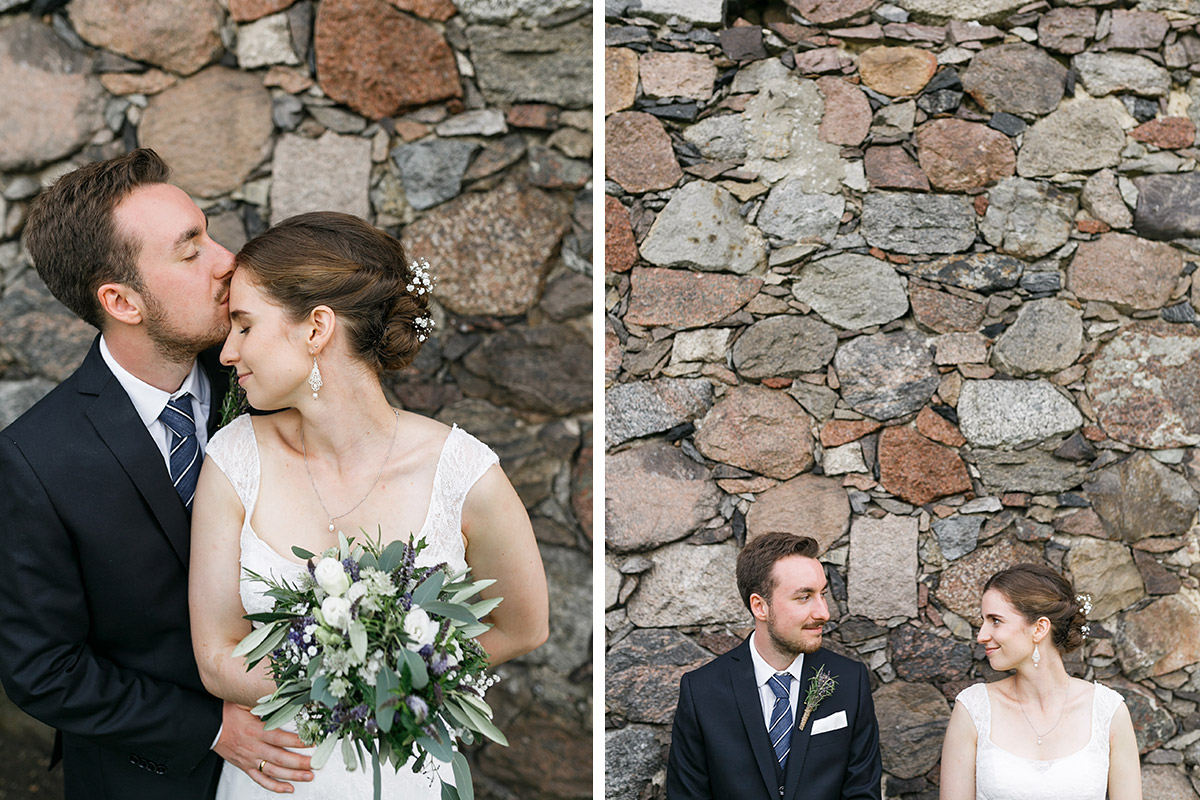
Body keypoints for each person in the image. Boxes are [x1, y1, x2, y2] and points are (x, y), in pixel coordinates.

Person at [188, 211, 550, 798]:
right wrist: (345, 683)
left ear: (316, 328)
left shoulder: (465, 475)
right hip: (275, 777)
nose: (227, 352)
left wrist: (407, 683)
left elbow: (524, 627)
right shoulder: (235, 458)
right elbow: (216, 656)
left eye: (244, 326)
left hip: (404, 775)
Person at [0, 148, 314, 798]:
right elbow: (42, 670)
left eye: (208, 231)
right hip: (149, 776)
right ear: (121, 300)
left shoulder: (271, 380)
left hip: (310, 751)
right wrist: (209, 728)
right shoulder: (35, 461)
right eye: (190, 248)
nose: (228, 260)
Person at [666, 532, 882, 800]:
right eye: (804, 597)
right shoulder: (701, 691)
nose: (824, 613)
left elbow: (862, 792)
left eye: (822, 594)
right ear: (760, 607)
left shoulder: (851, 681)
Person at [939, 563, 1142, 800]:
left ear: (1039, 629)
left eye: (995, 620)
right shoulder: (973, 709)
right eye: (983, 620)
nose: (981, 635)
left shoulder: (1108, 711)